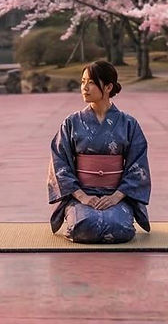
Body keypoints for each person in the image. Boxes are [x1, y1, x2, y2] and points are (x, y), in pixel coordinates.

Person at [48, 60, 151, 243]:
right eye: (82, 82)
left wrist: (116, 196)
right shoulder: (72, 122)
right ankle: (74, 214)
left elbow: (138, 164)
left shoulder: (128, 124)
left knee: (119, 228)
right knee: (85, 226)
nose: (84, 88)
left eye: (91, 82)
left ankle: (120, 214)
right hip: (81, 194)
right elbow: (59, 162)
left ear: (109, 86)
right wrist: (83, 197)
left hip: (117, 194)